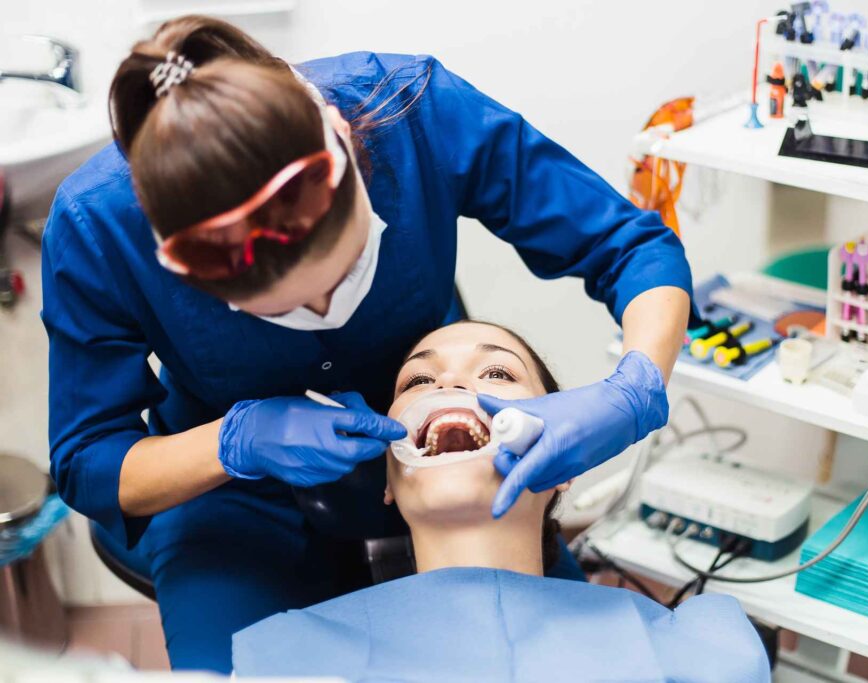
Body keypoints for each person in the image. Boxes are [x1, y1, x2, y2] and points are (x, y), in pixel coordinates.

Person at [41, 15, 695, 673]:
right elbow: (87, 459)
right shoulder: (98, 224)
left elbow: (631, 246)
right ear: (187, 268)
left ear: (346, 141)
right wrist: (235, 441)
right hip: (233, 500)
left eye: (344, 269)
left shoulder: (414, 111)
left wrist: (634, 389)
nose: (325, 309)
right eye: (283, 307)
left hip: (451, 478)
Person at [233, 321, 770, 682]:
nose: (449, 381)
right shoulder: (285, 656)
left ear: (567, 459)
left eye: (497, 373)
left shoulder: (695, 649)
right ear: (389, 482)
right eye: (419, 379)